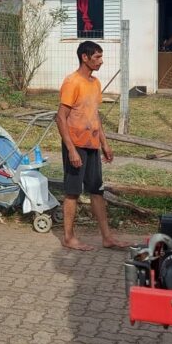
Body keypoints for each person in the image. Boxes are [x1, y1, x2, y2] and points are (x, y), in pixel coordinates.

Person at [56, 41, 123, 250]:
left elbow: (95, 115)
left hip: (92, 145)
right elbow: (60, 118)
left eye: (101, 57)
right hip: (76, 145)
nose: (101, 62)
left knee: (97, 191)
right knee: (73, 192)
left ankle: (107, 237)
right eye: (97, 57)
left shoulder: (95, 83)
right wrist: (71, 150)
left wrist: (105, 144)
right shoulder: (72, 82)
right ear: (84, 57)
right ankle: (68, 237)